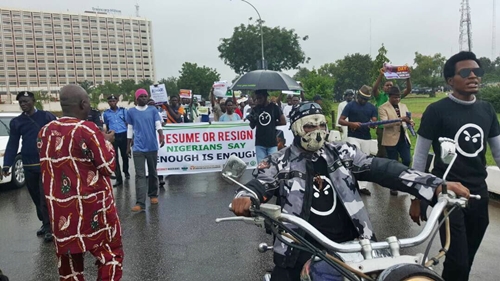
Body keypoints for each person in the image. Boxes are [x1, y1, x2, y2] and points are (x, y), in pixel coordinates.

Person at [230, 102, 470, 281]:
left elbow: (384, 169)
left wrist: (433, 184)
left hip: (355, 246)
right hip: (300, 248)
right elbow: (260, 184)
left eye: (321, 124)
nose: (317, 130)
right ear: (296, 128)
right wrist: (246, 197)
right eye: (310, 124)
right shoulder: (277, 162)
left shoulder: (343, 153)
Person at [410, 51, 500, 281]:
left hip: (478, 193)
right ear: (450, 80)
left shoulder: (486, 110)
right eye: (465, 72)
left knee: (467, 257)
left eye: (477, 71)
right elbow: (420, 156)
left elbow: (498, 153)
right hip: (446, 193)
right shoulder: (436, 111)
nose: (473, 76)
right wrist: (416, 196)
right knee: (457, 258)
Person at [38, 84, 123, 280]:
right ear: (83, 103)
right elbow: (109, 166)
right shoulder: (87, 130)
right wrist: (108, 142)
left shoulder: (45, 131)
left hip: (61, 211)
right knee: (110, 255)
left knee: (69, 264)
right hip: (93, 210)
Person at [2, 91, 57, 242]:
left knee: (44, 196)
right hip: (28, 164)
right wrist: (7, 165)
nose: (23, 104)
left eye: (26, 101)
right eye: (21, 102)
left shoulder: (47, 117)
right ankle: (44, 222)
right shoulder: (16, 122)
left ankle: (49, 228)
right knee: (35, 195)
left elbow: (58, 135)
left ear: (33, 100)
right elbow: (12, 144)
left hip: (45, 163)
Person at [127, 89, 165, 212]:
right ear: (136, 98)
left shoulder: (153, 110)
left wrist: (161, 135)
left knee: (153, 172)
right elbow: (130, 128)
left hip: (152, 146)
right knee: (140, 175)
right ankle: (140, 203)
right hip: (138, 147)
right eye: (141, 97)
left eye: (145, 96)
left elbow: (158, 124)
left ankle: (153, 195)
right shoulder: (131, 112)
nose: (143, 98)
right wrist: (128, 146)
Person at [338, 85, 378, 195]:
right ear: (358, 96)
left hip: (366, 137)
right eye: (362, 98)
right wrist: (351, 124)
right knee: (354, 158)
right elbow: (341, 120)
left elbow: (374, 121)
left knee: (364, 162)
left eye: (366, 99)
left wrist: (373, 124)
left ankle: (362, 186)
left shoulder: (372, 107)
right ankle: (351, 182)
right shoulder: (350, 106)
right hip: (353, 136)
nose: (363, 101)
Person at [378, 86, 414, 196]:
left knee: (407, 160)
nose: (397, 99)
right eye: (394, 97)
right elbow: (384, 123)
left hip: (403, 137)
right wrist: (400, 119)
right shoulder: (383, 108)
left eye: (398, 97)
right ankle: (393, 186)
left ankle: (403, 179)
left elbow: (408, 119)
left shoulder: (403, 106)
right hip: (391, 139)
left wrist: (410, 122)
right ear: (389, 97)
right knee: (393, 163)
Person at [373, 67, 412, 158]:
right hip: (383, 127)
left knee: (397, 153)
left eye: (391, 85)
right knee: (383, 152)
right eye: (387, 85)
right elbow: (374, 89)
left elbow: (408, 90)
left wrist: (407, 77)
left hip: (397, 128)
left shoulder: (396, 97)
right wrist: (381, 75)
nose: (389, 87)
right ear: (383, 87)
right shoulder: (380, 96)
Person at [247, 90, 286, 163]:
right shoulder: (255, 109)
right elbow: (252, 126)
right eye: (257, 98)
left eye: (260, 98)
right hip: (260, 143)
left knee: (273, 165)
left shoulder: (274, 108)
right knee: (261, 166)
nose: (258, 100)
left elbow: (283, 121)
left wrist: (273, 123)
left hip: (272, 142)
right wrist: (252, 120)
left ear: (265, 97)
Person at [103, 95, 130, 187]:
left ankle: (126, 171)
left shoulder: (123, 111)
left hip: (123, 134)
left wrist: (130, 137)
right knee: (114, 157)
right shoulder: (106, 113)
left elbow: (127, 123)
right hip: (113, 136)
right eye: (110, 101)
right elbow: (106, 124)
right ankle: (119, 178)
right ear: (108, 103)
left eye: (114, 101)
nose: (112, 103)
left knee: (125, 155)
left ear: (117, 101)